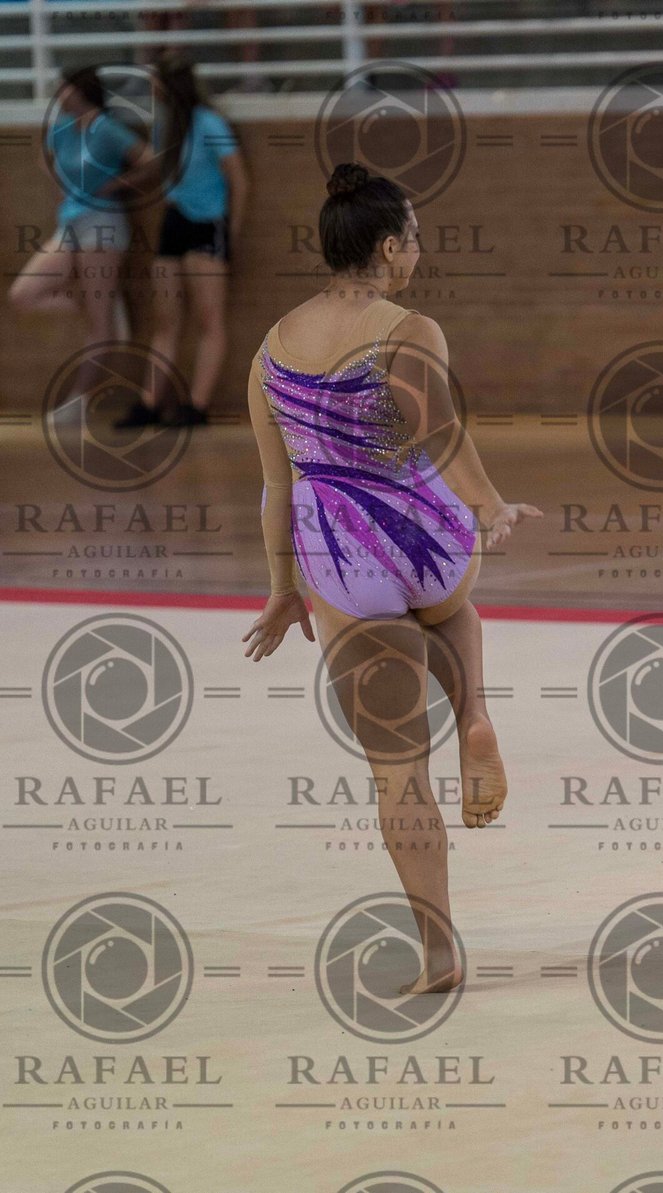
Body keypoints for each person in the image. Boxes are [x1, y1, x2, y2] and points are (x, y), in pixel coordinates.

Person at [242, 163, 539, 993]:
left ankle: (439, 950)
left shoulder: (270, 348)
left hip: (341, 553)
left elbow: (277, 486)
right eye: (414, 237)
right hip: (427, 533)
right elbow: (440, 431)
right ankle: (474, 714)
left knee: (396, 769)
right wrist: (490, 505)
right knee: (453, 613)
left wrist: (282, 588)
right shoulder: (408, 327)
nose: (418, 251)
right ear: (385, 248)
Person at [120, 53, 249, 428]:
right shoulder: (165, 126)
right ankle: (149, 403)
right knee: (166, 320)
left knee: (209, 319)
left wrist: (230, 234)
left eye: (155, 86)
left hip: (207, 224)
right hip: (174, 220)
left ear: (169, 87)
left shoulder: (209, 123)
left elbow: (239, 181)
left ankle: (197, 405)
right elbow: (157, 167)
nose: (151, 92)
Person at [10, 66, 153, 389]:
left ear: (80, 91)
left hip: (104, 223)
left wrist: (115, 184)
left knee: (98, 327)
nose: (58, 95)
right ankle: (103, 303)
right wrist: (63, 187)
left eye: (63, 88)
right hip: (70, 222)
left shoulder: (107, 129)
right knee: (23, 295)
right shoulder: (61, 128)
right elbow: (45, 159)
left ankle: (78, 400)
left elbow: (150, 161)